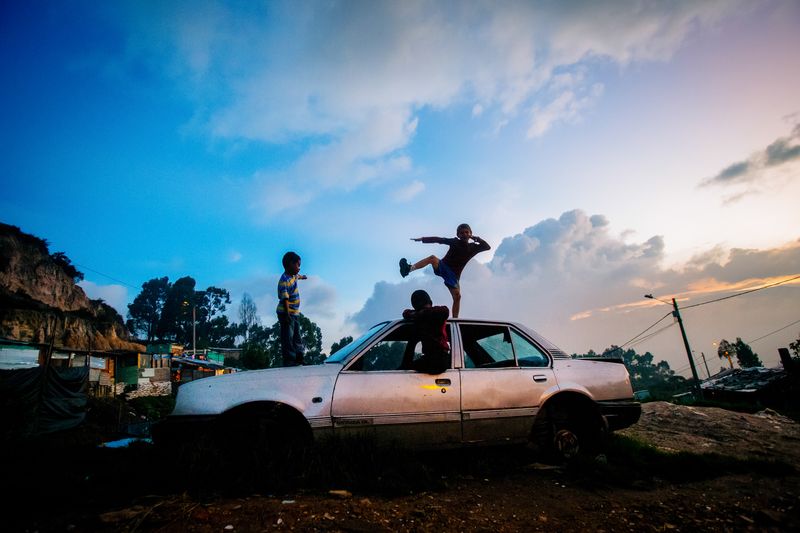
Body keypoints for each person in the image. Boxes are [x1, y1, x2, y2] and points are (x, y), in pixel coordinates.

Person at [399, 223, 490, 318]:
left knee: (458, 297)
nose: (464, 234)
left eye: (467, 232)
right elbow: (439, 240)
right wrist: (423, 239)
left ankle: (455, 319)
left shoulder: (474, 247)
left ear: (470, 233)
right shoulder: (454, 242)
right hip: (443, 266)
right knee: (432, 258)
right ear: (458, 235)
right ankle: (408, 269)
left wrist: (476, 238)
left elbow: (487, 247)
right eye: (461, 233)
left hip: (454, 275)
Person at [401, 289, 450, 374]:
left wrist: (418, 314)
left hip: (438, 359)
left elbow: (445, 310)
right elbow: (405, 313)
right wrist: (418, 314)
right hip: (433, 358)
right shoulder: (423, 317)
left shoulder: (437, 314)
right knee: (405, 367)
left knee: (405, 369)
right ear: (430, 302)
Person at [276, 251, 307, 366]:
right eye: (298, 265)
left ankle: (299, 358)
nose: (299, 268)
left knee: (297, 335)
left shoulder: (293, 276)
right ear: (289, 265)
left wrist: (303, 277)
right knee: (288, 337)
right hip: (286, 313)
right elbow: (285, 299)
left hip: (295, 313)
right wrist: (287, 315)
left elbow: (298, 276)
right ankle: (289, 359)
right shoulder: (284, 280)